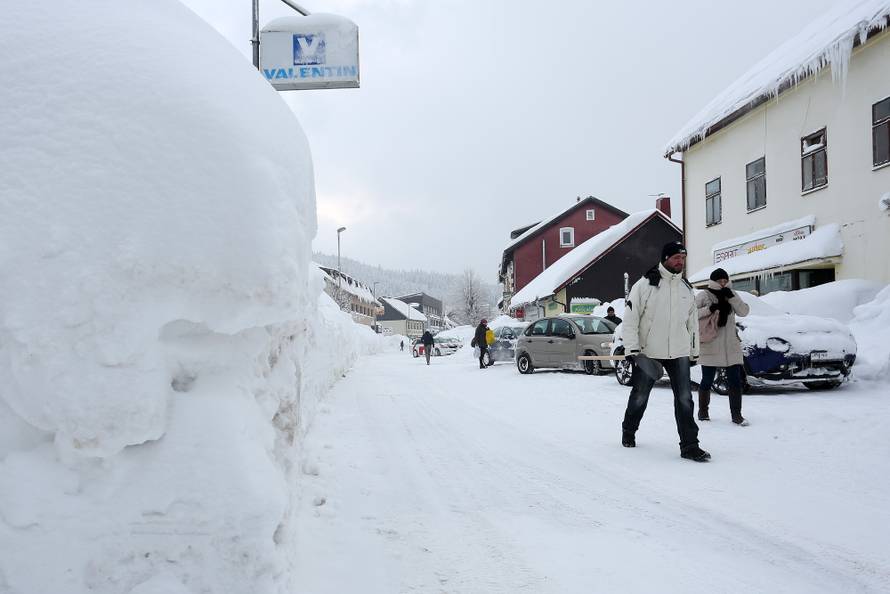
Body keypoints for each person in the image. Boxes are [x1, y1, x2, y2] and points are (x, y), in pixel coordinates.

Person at [621, 241, 710, 462]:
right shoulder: (644, 285)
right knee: (640, 395)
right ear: (665, 259)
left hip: (678, 351)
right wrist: (632, 349)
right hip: (649, 351)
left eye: (683, 258)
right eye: (676, 258)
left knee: (685, 399)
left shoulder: (685, 289)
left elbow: (692, 325)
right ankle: (629, 431)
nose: (681, 262)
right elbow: (630, 320)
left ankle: (690, 446)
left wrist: (693, 351)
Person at [695, 268, 751, 425]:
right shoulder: (704, 295)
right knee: (707, 380)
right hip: (710, 344)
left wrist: (732, 297)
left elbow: (744, 311)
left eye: (725, 280)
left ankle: (736, 415)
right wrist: (710, 309)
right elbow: (690, 313)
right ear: (713, 281)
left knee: (735, 381)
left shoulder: (732, 294)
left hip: (730, 346)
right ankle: (703, 411)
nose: (723, 283)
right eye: (719, 281)